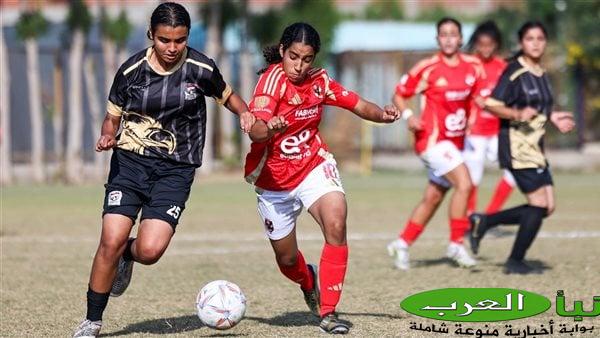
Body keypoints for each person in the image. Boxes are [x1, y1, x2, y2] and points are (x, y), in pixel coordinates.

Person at [73, 3, 255, 337]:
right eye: (164, 40)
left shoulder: (201, 68)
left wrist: (245, 113)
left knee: (150, 250)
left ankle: (128, 256)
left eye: (179, 40)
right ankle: (92, 321)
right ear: (151, 36)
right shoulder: (131, 72)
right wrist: (107, 135)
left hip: (176, 170)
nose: (172, 48)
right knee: (109, 240)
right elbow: (112, 117)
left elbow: (229, 97)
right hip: (130, 163)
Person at [245, 22, 399, 334]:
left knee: (336, 221)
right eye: (293, 57)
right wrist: (268, 129)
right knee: (287, 260)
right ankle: (308, 280)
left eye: (306, 59)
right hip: (274, 180)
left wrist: (381, 115)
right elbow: (255, 129)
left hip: (313, 164)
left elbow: (355, 102)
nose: (299, 66)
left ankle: (327, 312)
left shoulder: (319, 80)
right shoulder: (270, 84)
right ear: (282, 51)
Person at [469, 21, 575, 274]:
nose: (536, 43)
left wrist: (554, 117)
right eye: (530, 39)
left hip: (535, 148)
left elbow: (540, 107)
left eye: (540, 38)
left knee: (547, 207)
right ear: (521, 43)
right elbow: (491, 104)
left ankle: (485, 221)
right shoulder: (514, 71)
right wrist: (516, 112)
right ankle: (515, 261)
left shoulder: (540, 71)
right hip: (516, 147)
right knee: (538, 205)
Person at [387, 17, 480, 270]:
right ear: (438, 39)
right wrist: (408, 116)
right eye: (444, 34)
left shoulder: (473, 67)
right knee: (465, 183)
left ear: (461, 39)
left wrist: (473, 119)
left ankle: (402, 244)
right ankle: (456, 244)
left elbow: (476, 98)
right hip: (432, 141)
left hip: (455, 144)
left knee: (434, 197)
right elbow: (399, 93)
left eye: (453, 34)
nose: (449, 38)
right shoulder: (428, 68)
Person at [464, 20, 516, 216]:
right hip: (474, 132)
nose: (486, 49)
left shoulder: (503, 67)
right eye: (481, 44)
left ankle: (490, 215)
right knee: (472, 178)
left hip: (497, 131)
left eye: (490, 45)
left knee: (514, 172)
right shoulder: (468, 65)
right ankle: (470, 219)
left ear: (496, 44)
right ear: (476, 44)